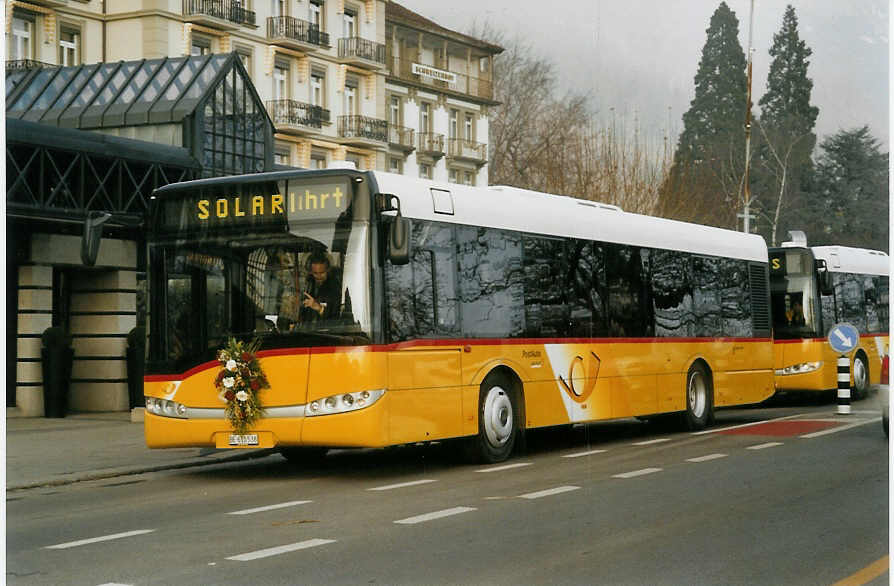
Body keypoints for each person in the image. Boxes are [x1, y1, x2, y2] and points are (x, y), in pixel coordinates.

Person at [299, 251, 340, 323]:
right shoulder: (308, 285)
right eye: (315, 273)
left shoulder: (335, 288)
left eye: (322, 273)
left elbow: (337, 317)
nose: (318, 277)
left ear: (328, 270)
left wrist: (320, 308)